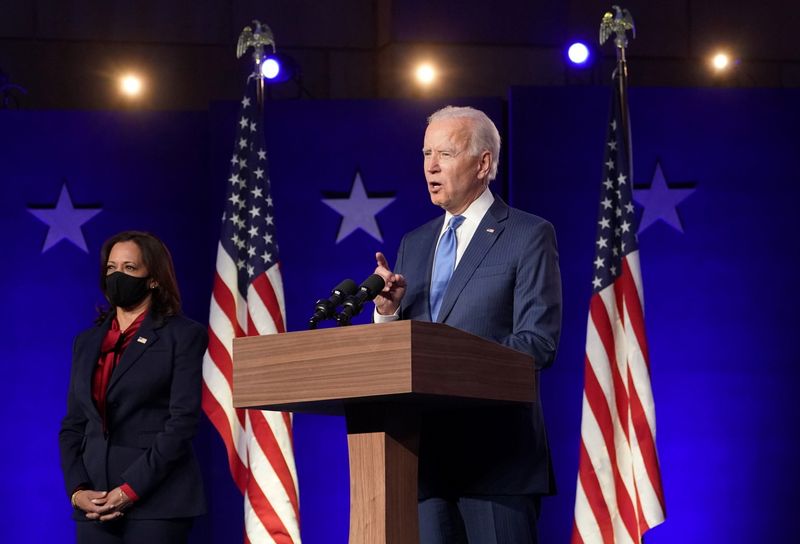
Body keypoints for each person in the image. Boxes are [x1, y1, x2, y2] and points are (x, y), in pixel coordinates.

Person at [373, 106, 562, 543]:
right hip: (423, 464)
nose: (431, 166)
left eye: (445, 153)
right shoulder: (414, 243)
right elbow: (400, 356)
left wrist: (454, 361)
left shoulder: (528, 234)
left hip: (496, 462)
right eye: (425, 153)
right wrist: (387, 313)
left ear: (484, 164)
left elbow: (538, 343)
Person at [59, 231, 208, 543]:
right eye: (111, 268)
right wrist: (77, 490)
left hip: (157, 503)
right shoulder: (86, 342)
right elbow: (74, 424)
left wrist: (129, 490)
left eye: (129, 269)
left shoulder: (183, 335)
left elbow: (182, 422)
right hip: (94, 504)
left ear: (153, 278)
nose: (117, 276)